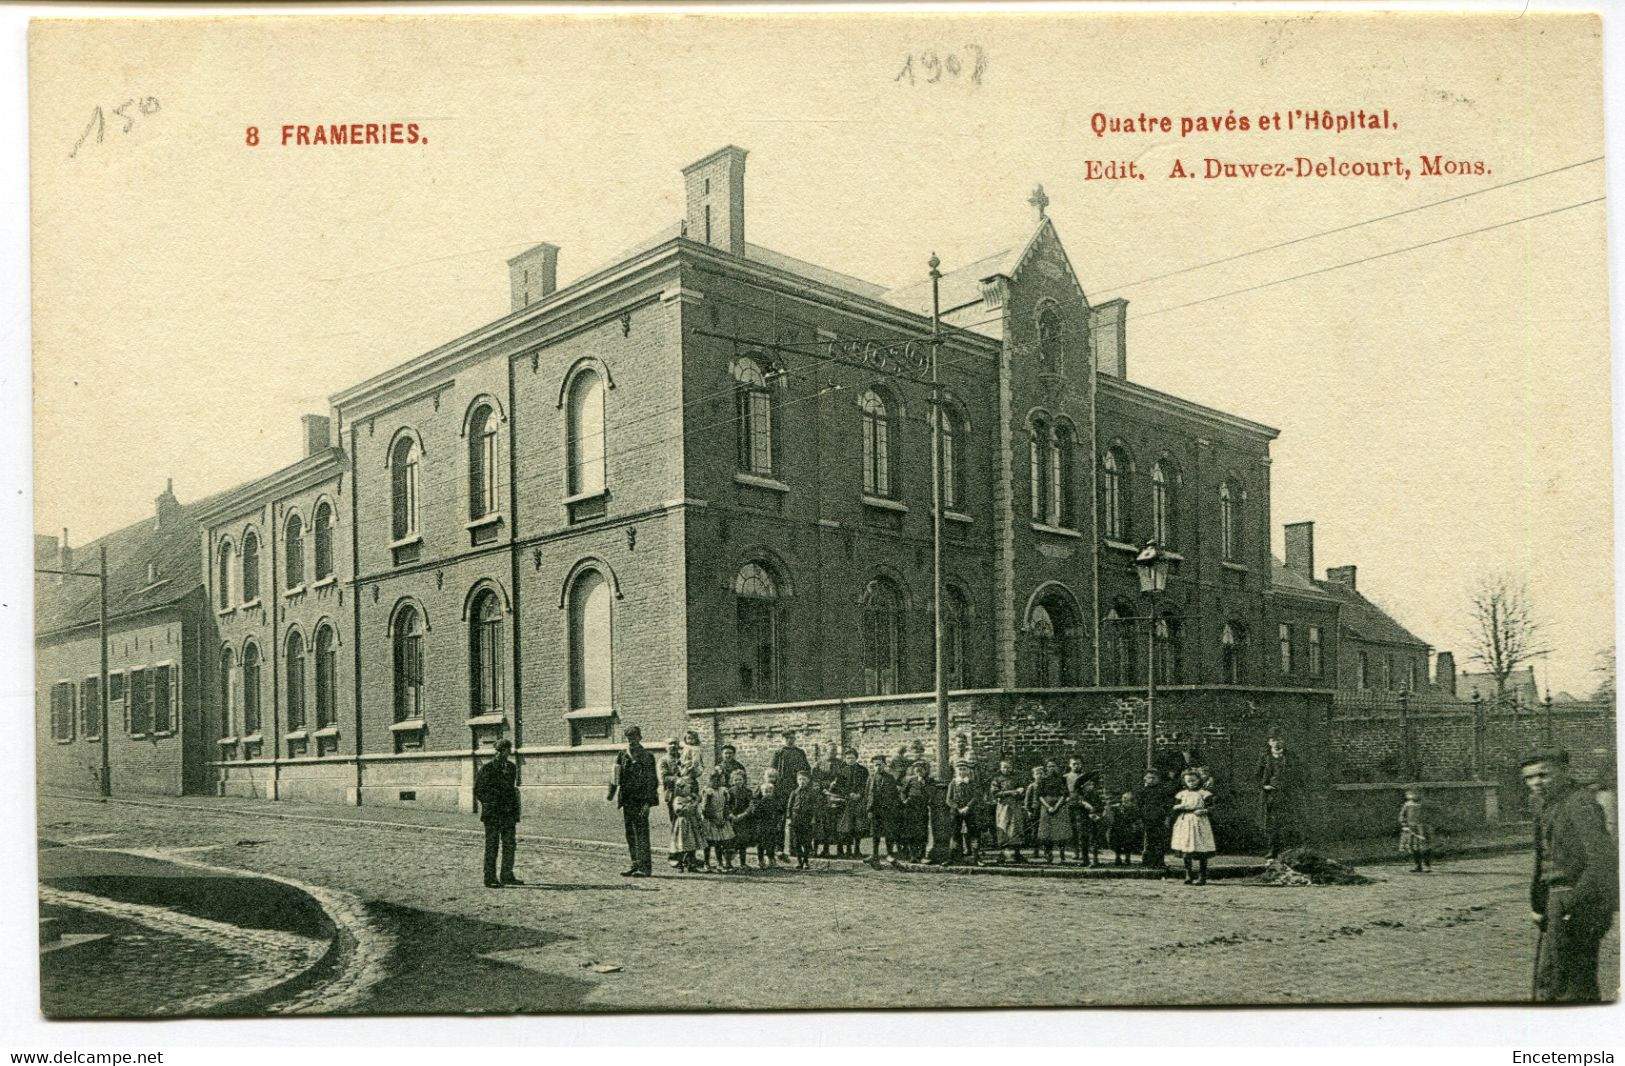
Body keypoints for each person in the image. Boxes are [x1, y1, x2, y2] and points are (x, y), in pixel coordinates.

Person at [1523, 750, 1618, 1002]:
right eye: (1529, 778)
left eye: (1543, 774)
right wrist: (1539, 904)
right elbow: (1544, 859)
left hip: (1577, 902)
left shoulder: (1579, 803)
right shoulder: (1547, 804)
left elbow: (1603, 860)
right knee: (1556, 978)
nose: (1536, 783)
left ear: (1564, 771)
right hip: (1558, 901)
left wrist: (1573, 905)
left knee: (1569, 984)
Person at [607, 725, 660, 877]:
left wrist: (648, 802)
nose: (631, 741)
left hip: (641, 800)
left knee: (641, 833)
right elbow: (615, 775)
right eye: (628, 738)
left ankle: (644, 868)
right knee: (630, 833)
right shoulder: (622, 755)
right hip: (627, 799)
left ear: (640, 737)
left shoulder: (647, 756)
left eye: (634, 737)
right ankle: (635, 863)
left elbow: (652, 781)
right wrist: (611, 793)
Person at [474, 739, 523, 888]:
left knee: (509, 845)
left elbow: (512, 790)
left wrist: (515, 810)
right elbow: (479, 791)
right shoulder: (487, 769)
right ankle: (489, 878)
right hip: (493, 815)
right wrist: (491, 804)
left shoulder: (511, 767)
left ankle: (507, 875)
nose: (499, 753)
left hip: (508, 814)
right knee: (492, 846)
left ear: (508, 751)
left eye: (503, 750)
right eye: (497, 751)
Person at [1171, 768, 1217, 885]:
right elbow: (1175, 807)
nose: (1191, 783)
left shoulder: (1204, 794)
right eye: (1188, 781)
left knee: (1201, 848)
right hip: (1185, 821)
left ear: (1199, 780)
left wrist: (1204, 811)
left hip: (1199, 822)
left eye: (1193, 780)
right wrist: (1179, 807)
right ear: (1184, 781)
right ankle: (1188, 874)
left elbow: (1212, 808)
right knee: (1186, 847)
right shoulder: (1181, 794)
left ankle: (1202, 876)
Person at [1256, 733, 1298, 858]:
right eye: (1273, 740)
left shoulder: (1290, 756)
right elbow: (1257, 775)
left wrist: (1292, 786)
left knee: (1288, 820)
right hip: (1271, 794)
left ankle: (1288, 851)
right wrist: (1264, 786)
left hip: (1287, 793)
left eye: (1279, 739)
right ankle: (1273, 850)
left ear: (1283, 741)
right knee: (1272, 822)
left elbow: (1298, 773)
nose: (1276, 742)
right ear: (1269, 742)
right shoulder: (1265, 757)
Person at [771, 732, 811, 857]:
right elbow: (772, 771)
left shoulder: (800, 753)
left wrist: (803, 784)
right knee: (780, 820)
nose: (790, 740)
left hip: (796, 790)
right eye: (787, 738)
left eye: (792, 738)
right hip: (781, 791)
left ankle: (794, 848)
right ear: (783, 739)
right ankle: (779, 847)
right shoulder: (779, 753)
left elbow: (806, 770)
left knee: (795, 820)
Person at [833, 748, 871, 857]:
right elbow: (839, 786)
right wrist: (848, 794)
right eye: (848, 758)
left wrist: (859, 794)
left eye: (852, 758)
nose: (850, 760)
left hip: (858, 802)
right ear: (845, 759)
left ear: (856, 758)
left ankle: (857, 849)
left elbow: (865, 785)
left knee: (858, 826)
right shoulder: (842, 771)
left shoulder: (863, 770)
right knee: (846, 827)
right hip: (845, 802)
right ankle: (848, 849)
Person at [990, 758, 1027, 863]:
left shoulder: (1016, 778)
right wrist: (1010, 792)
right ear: (1000, 768)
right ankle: (1003, 853)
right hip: (1003, 806)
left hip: (1015, 806)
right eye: (1004, 767)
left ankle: (1016, 853)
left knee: (1015, 827)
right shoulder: (997, 779)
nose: (1006, 769)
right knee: (1003, 827)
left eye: (1009, 767)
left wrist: (1021, 791)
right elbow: (995, 793)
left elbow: (1023, 790)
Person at [865, 754, 902, 860]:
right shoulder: (871, 778)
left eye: (880, 765)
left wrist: (892, 808)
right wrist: (869, 809)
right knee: (875, 833)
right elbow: (867, 794)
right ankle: (874, 854)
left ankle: (889, 854)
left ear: (884, 765)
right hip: (875, 809)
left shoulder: (890, 778)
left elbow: (894, 795)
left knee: (888, 832)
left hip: (887, 809)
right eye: (876, 765)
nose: (878, 767)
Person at [946, 760, 982, 864]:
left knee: (974, 833)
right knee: (954, 834)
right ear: (956, 771)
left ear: (968, 770)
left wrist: (967, 807)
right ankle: (952, 858)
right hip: (956, 812)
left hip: (970, 811)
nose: (962, 771)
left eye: (964, 769)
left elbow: (976, 797)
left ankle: (977, 858)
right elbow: (948, 799)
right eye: (959, 769)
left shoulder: (972, 783)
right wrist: (957, 808)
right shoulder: (953, 783)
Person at [1136, 769, 1172, 870]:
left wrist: (1167, 819)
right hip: (1146, 819)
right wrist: (1139, 819)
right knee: (1149, 841)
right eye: (1149, 778)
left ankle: (1160, 862)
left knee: (1160, 841)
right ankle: (1148, 863)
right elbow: (1138, 806)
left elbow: (1168, 806)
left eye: (1154, 778)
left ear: (1158, 779)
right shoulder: (1141, 791)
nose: (1151, 780)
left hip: (1160, 819)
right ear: (1145, 778)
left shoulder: (1163, 791)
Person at [1034, 763, 1069, 863]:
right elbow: (1039, 795)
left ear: (1057, 767)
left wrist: (1057, 805)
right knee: (1046, 832)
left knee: (1061, 832)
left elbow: (1064, 794)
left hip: (1060, 806)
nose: (1052, 768)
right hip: (1046, 808)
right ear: (1046, 768)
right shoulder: (1043, 780)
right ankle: (1048, 854)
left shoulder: (1062, 779)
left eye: (1054, 766)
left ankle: (1062, 855)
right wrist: (1048, 807)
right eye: (1049, 766)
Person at [658, 737, 685, 868]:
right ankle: (674, 856)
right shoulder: (664, 760)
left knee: (688, 826)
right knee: (676, 826)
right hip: (673, 796)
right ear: (665, 746)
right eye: (670, 743)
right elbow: (664, 778)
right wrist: (680, 778)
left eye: (675, 743)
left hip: (687, 796)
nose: (673, 746)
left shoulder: (684, 758)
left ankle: (687, 856)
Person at [786, 769, 821, 869]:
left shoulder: (812, 793)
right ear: (797, 780)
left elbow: (815, 807)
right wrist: (789, 818)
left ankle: (806, 861)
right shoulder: (794, 792)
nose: (802, 781)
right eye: (800, 779)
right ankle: (799, 861)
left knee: (806, 841)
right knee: (796, 842)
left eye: (804, 779)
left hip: (807, 819)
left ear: (808, 781)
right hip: (795, 819)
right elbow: (789, 806)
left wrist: (813, 818)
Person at [669, 775, 704, 872]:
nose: (689, 790)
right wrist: (694, 803)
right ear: (681, 789)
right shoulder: (678, 800)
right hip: (683, 824)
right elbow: (681, 811)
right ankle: (680, 863)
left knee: (692, 844)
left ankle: (691, 864)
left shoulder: (691, 798)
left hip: (692, 823)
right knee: (682, 844)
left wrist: (699, 819)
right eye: (687, 788)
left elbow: (696, 810)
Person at [898, 761, 931, 862]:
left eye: (921, 768)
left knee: (922, 832)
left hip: (922, 809)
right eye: (917, 768)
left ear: (926, 770)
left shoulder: (930, 781)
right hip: (911, 809)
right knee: (911, 832)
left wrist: (925, 786)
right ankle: (913, 855)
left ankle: (922, 856)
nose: (919, 771)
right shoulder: (911, 780)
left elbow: (932, 792)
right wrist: (904, 801)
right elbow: (903, 791)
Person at [702, 767, 733, 870]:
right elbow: (704, 809)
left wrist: (724, 818)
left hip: (721, 819)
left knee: (719, 843)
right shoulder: (708, 792)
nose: (716, 782)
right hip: (711, 820)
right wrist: (714, 819)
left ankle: (720, 863)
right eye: (713, 780)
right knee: (708, 843)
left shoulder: (724, 791)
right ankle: (706, 863)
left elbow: (726, 806)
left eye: (718, 780)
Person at [725, 768, 754, 870]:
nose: (738, 782)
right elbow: (726, 805)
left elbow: (750, 805)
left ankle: (743, 863)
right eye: (736, 779)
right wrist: (731, 815)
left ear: (744, 780)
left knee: (742, 842)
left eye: (740, 779)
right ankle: (728, 863)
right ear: (732, 780)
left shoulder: (748, 791)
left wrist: (743, 815)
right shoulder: (729, 791)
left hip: (743, 820)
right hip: (732, 820)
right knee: (730, 842)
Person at [1397, 787, 1431, 873]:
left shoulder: (1423, 805)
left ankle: (1427, 865)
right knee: (1413, 847)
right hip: (1411, 828)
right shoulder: (1407, 805)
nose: (1413, 795)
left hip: (1421, 828)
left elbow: (1429, 816)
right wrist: (1404, 824)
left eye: (1416, 793)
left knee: (1423, 847)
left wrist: (1427, 826)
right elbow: (1401, 816)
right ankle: (1417, 865)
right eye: (1411, 793)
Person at [1110, 790, 1142, 866]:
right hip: (1117, 827)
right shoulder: (1117, 807)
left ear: (1131, 799)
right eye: (1123, 797)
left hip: (1128, 827)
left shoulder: (1133, 808)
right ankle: (1117, 858)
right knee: (1116, 843)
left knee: (1128, 844)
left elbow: (1136, 818)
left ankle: (1127, 859)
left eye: (1127, 798)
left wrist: (1135, 825)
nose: (1124, 799)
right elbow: (1111, 814)